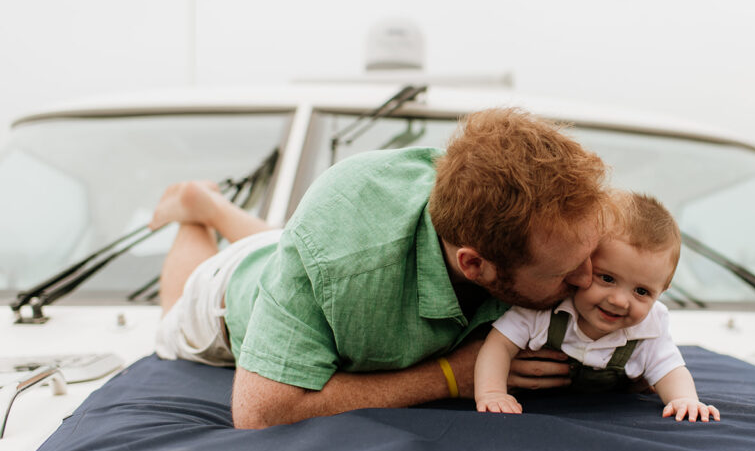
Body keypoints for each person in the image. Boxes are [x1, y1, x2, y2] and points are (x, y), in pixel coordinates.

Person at [150, 108, 607, 429]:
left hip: (306, 251)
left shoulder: (533, 217)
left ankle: (218, 209)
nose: (587, 279)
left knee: (280, 241)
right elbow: (261, 413)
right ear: (476, 265)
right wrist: (451, 376)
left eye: (593, 257)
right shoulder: (342, 260)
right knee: (179, 309)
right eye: (565, 275)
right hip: (229, 296)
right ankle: (194, 215)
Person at [474, 191, 721, 422]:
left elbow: (670, 369)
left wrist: (684, 399)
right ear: (580, 264)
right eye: (607, 278)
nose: (619, 301)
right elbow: (499, 344)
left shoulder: (649, 327)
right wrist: (492, 392)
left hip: (607, 418)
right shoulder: (546, 307)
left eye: (642, 291)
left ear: (661, 292)